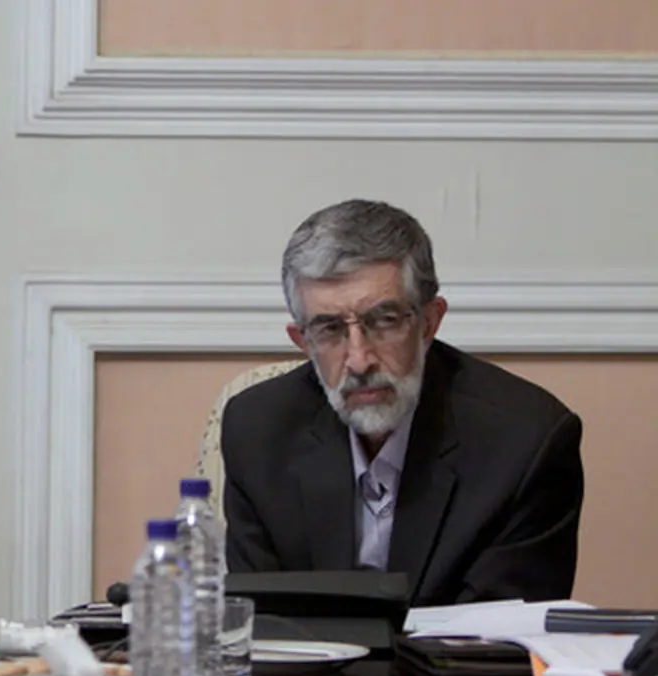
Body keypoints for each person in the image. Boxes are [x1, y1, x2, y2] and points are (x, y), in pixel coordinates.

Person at [222, 199, 582, 606]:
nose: (359, 360)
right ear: (302, 341)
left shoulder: (526, 443)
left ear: (429, 322)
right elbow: (260, 619)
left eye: (385, 321)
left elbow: (500, 634)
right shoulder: (256, 431)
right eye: (330, 329)